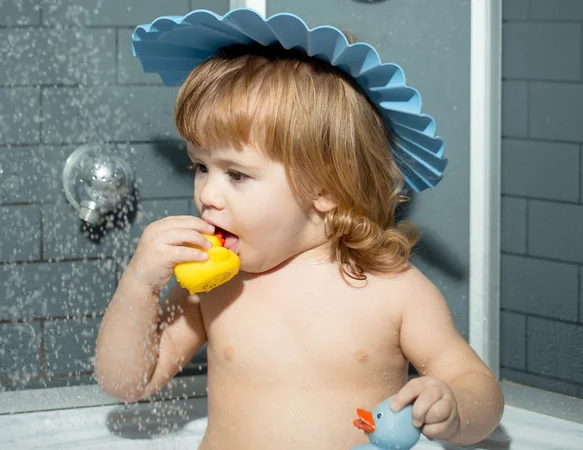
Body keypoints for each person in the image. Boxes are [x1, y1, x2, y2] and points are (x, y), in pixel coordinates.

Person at [94, 9, 503, 450]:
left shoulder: (394, 292)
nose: (207, 194)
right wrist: (139, 284)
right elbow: (126, 383)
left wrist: (455, 406)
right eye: (200, 166)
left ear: (324, 187)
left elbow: (481, 391)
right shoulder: (213, 287)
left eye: (237, 175)